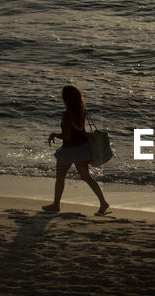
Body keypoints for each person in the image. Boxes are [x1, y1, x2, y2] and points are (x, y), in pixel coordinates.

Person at [44, 84, 111, 215]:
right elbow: (80, 130)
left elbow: (67, 136)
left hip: (69, 150)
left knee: (60, 177)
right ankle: (103, 202)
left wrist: (54, 135)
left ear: (66, 98)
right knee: (87, 177)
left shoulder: (68, 114)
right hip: (83, 148)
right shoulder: (82, 110)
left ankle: (56, 204)